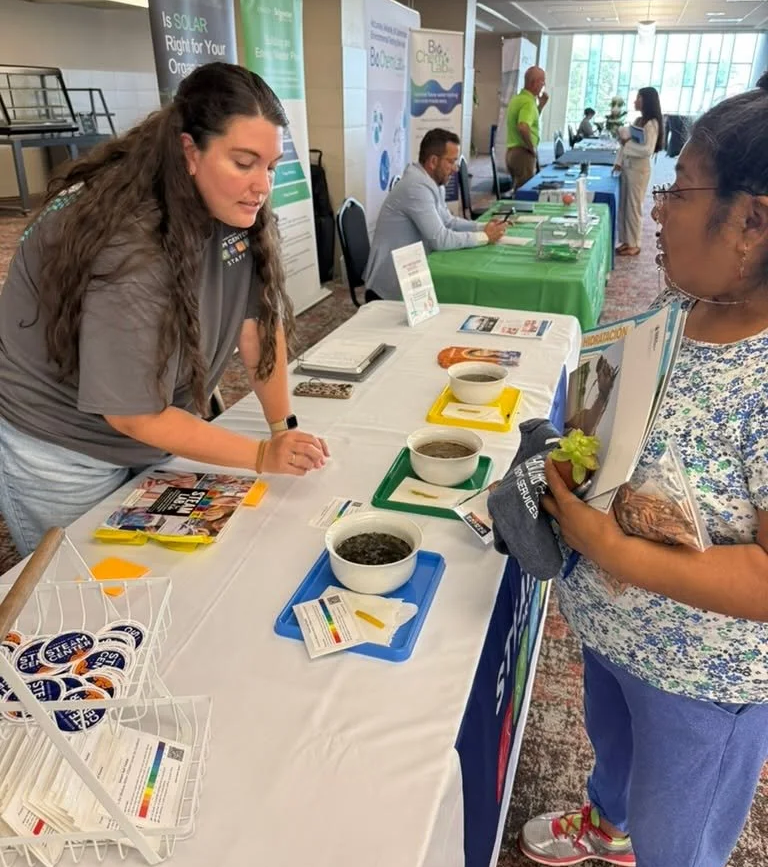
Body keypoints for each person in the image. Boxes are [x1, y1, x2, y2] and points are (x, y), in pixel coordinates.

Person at [518, 81, 768, 867]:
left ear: (753, 223)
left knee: (677, 844)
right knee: (613, 749)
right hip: (613, 631)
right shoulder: (680, 306)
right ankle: (605, 821)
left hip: (703, 680)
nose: (656, 211)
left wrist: (611, 547)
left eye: (680, 191)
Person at [0, 62, 329, 557]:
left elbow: (257, 326)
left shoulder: (236, 210)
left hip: (152, 424)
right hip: (59, 444)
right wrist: (261, 454)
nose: (262, 185)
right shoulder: (131, 242)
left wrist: (283, 429)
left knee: (161, 571)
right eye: (244, 163)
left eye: (271, 165)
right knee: (83, 586)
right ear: (189, 151)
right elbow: (133, 413)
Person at [363, 129, 506, 302]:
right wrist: (484, 237)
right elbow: (440, 239)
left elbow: (448, 221)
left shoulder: (433, 183)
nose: (455, 169)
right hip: (390, 286)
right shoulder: (416, 187)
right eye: (451, 162)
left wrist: (482, 227)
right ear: (433, 161)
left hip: (410, 273)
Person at [614, 86, 664, 257]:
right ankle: (626, 240)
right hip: (628, 167)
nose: (635, 101)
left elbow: (647, 149)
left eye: (638, 97)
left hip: (639, 170)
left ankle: (635, 243)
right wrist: (618, 162)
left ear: (646, 101)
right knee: (624, 206)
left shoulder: (652, 123)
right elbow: (624, 143)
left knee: (634, 206)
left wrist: (627, 143)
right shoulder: (638, 121)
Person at [505, 66, 549, 190]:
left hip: (512, 152)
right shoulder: (528, 103)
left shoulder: (518, 99)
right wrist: (531, 148)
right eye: (542, 81)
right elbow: (523, 126)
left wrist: (540, 106)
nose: (544, 84)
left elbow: (529, 122)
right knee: (524, 192)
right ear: (534, 83)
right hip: (523, 154)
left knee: (518, 189)